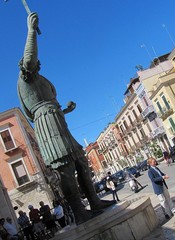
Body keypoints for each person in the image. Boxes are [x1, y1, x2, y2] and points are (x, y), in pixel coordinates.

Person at [17, 12, 114, 225]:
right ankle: (80, 213)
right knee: (66, 169)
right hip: (47, 125)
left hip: (58, 121)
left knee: (81, 160)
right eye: (34, 64)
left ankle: (95, 202)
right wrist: (31, 31)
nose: (37, 64)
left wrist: (66, 110)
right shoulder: (26, 76)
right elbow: (29, 59)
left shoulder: (39, 80)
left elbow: (53, 103)